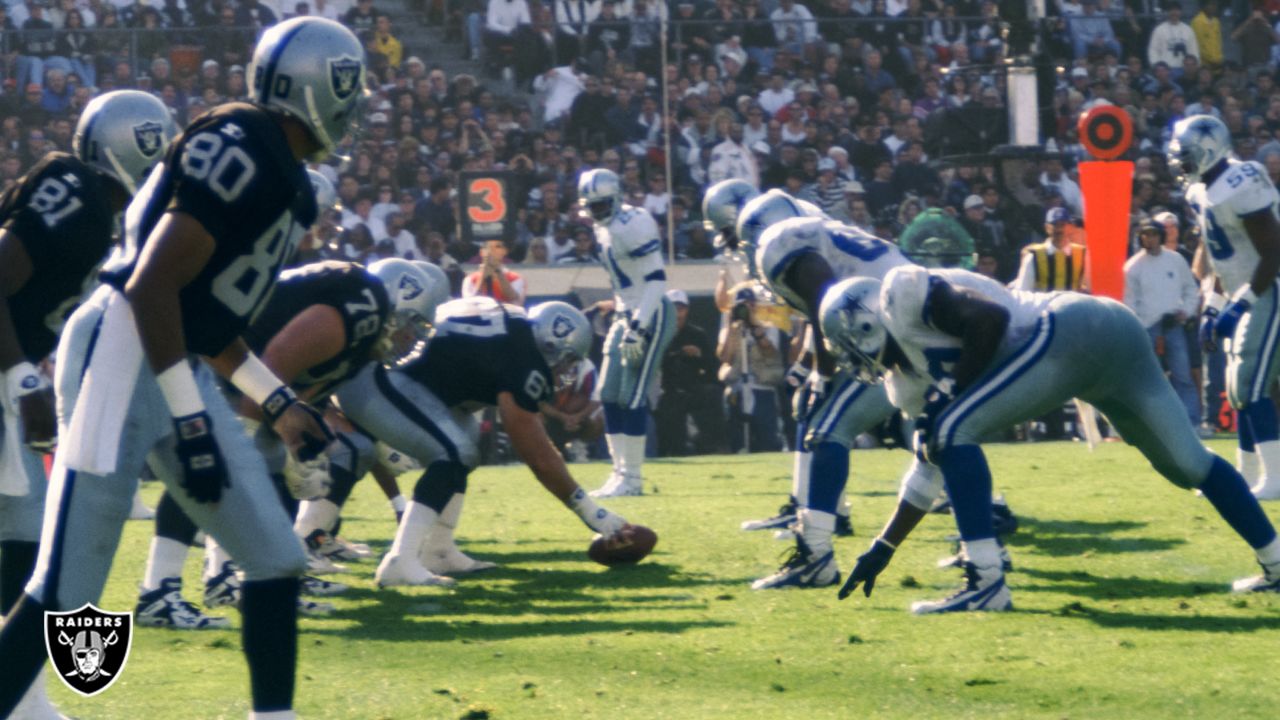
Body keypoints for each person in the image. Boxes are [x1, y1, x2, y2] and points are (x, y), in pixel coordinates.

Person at [0, 18, 365, 720]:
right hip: (121, 349)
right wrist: (195, 424)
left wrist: (283, 404)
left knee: (275, 558)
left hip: (169, 358)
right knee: (62, 588)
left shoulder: (278, 169)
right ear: (323, 85)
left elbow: (206, 322)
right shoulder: (247, 144)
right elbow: (151, 283)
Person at [818, 267, 1280, 614]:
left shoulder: (907, 294)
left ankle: (986, 582)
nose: (849, 358)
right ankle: (1277, 562)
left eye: (845, 344)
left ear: (862, 324)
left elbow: (989, 318)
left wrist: (954, 393)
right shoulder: (907, 385)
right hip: (1108, 339)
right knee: (1189, 466)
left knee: (950, 427)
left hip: (1072, 328)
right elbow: (927, 470)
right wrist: (884, 546)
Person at [134, 259, 446, 626]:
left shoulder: (362, 343)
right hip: (206, 355)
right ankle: (159, 590)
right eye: (410, 324)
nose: (410, 338)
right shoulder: (357, 306)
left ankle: (230, 578)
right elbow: (275, 362)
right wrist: (247, 445)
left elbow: (300, 394)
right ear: (393, 305)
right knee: (215, 461)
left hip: (239, 369)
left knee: (268, 460)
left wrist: (300, 453)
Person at [0, 90, 174, 720]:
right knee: (27, 540)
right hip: (4, 378)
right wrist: (22, 376)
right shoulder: (77, 190)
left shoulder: (104, 213)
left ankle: (20, 696)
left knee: (25, 537)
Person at [332, 298, 637, 585]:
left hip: (400, 384)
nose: (566, 370)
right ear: (552, 345)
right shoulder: (525, 357)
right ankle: (400, 560)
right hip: (382, 384)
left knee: (465, 443)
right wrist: (592, 512)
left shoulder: (515, 327)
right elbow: (536, 453)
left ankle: (438, 550)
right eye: (568, 359)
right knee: (455, 453)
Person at [736, 198, 912, 590]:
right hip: (904, 311)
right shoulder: (821, 230)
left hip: (888, 321)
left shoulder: (785, 244)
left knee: (829, 429)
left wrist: (822, 375)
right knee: (930, 434)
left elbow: (826, 300)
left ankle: (815, 554)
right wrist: (814, 367)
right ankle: (986, 533)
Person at [1180, 115, 1280, 501]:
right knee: (1244, 385)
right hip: (1246, 289)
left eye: (1187, 155)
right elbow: (1224, 259)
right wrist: (1213, 306)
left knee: (1250, 383)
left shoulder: (1243, 180)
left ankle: (1273, 478)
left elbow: (1273, 251)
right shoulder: (1201, 192)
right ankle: (1248, 472)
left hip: (1269, 287)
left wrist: (1243, 304)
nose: (1181, 164)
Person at [578, 169, 675, 498]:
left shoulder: (634, 222)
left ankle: (632, 478)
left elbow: (656, 279)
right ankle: (619, 473)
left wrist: (639, 323)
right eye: (592, 206)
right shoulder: (602, 229)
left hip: (650, 312)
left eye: (602, 204)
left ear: (617, 197)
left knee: (632, 395)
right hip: (624, 312)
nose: (598, 211)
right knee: (607, 393)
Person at [1124, 222, 1200, 429]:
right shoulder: (1133, 266)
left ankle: (1191, 424)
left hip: (1173, 324)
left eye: (1153, 234)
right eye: (1145, 235)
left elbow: (1190, 290)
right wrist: (1139, 327)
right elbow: (1130, 302)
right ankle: (1155, 423)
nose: (1149, 239)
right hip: (1148, 327)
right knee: (1151, 379)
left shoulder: (1175, 259)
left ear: (1161, 236)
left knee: (1183, 375)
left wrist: (1185, 312)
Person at [655, 289, 723, 456]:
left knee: (712, 396)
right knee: (670, 415)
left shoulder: (697, 334)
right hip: (668, 390)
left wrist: (698, 355)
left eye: (681, 308)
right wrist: (679, 354)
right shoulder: (658, 334)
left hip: (694, 388)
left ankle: (711, 447)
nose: (678, 313)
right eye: (674, 308)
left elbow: (713, 366)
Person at [718, 286, 784, 453]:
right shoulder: (730, 329)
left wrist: (758, 331)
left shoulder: (768, 325)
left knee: (767, 439)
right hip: (737, 389)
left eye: (750, 304)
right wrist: (730, 327)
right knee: (738, 439)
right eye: (742, 305)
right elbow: (725, 357)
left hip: (762, 387)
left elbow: (772, 354)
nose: (747, 309)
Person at [1014, 208, 1088, 292]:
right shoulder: (1033, 255)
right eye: (1055, 225)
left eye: (1062, 224)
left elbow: (1089, 287)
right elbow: (1023, 291)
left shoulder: (1082, 253)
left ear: (1070, 227)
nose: (1059, 229)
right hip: (1045, 305)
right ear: (1047, 227)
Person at [462, 238, 526, 305]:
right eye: (488, 247)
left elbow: (514, 300)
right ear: (481, 252)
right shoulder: (470, 279)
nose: (492, 250)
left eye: (498, 247)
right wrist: (483, 276)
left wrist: (498, 271)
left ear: (504, 251)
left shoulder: (516, 278)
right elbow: (470, 303)